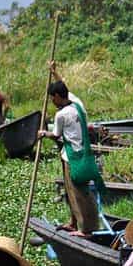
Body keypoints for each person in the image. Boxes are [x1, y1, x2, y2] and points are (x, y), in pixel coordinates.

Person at [38, 63, 99, 235]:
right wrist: (54, 72)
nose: (52, 101)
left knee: (78, 192)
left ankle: (86, 229)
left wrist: (43, 133)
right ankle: (73, 222)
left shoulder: (61, 114)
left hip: (72, 157)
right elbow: (65, 87)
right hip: (85, 154)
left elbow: (56, 135)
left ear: (57, 96)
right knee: (73, 191)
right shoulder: (77, 104)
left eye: (52, 98)